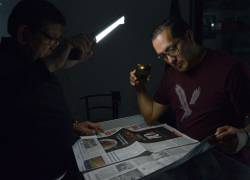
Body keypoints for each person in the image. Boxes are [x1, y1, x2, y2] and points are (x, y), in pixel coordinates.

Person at [0, 0, 102, 179]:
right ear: (24, 34)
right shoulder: (7, 65)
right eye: (51, 38)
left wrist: (72, 126)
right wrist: (52, 63)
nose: (56, 46)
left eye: (59, 40)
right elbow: (14, 105)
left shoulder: (34, 65)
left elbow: (38, 112)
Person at [129, 17, 250, 159]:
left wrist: (244, 134)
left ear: (189, 36)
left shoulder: (229, 68)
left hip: (223, 160)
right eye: (163, 56)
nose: (170, 60)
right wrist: (140, 88)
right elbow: (151, 116)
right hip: (188, 157)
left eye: (172, 49)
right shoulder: (171, 75)